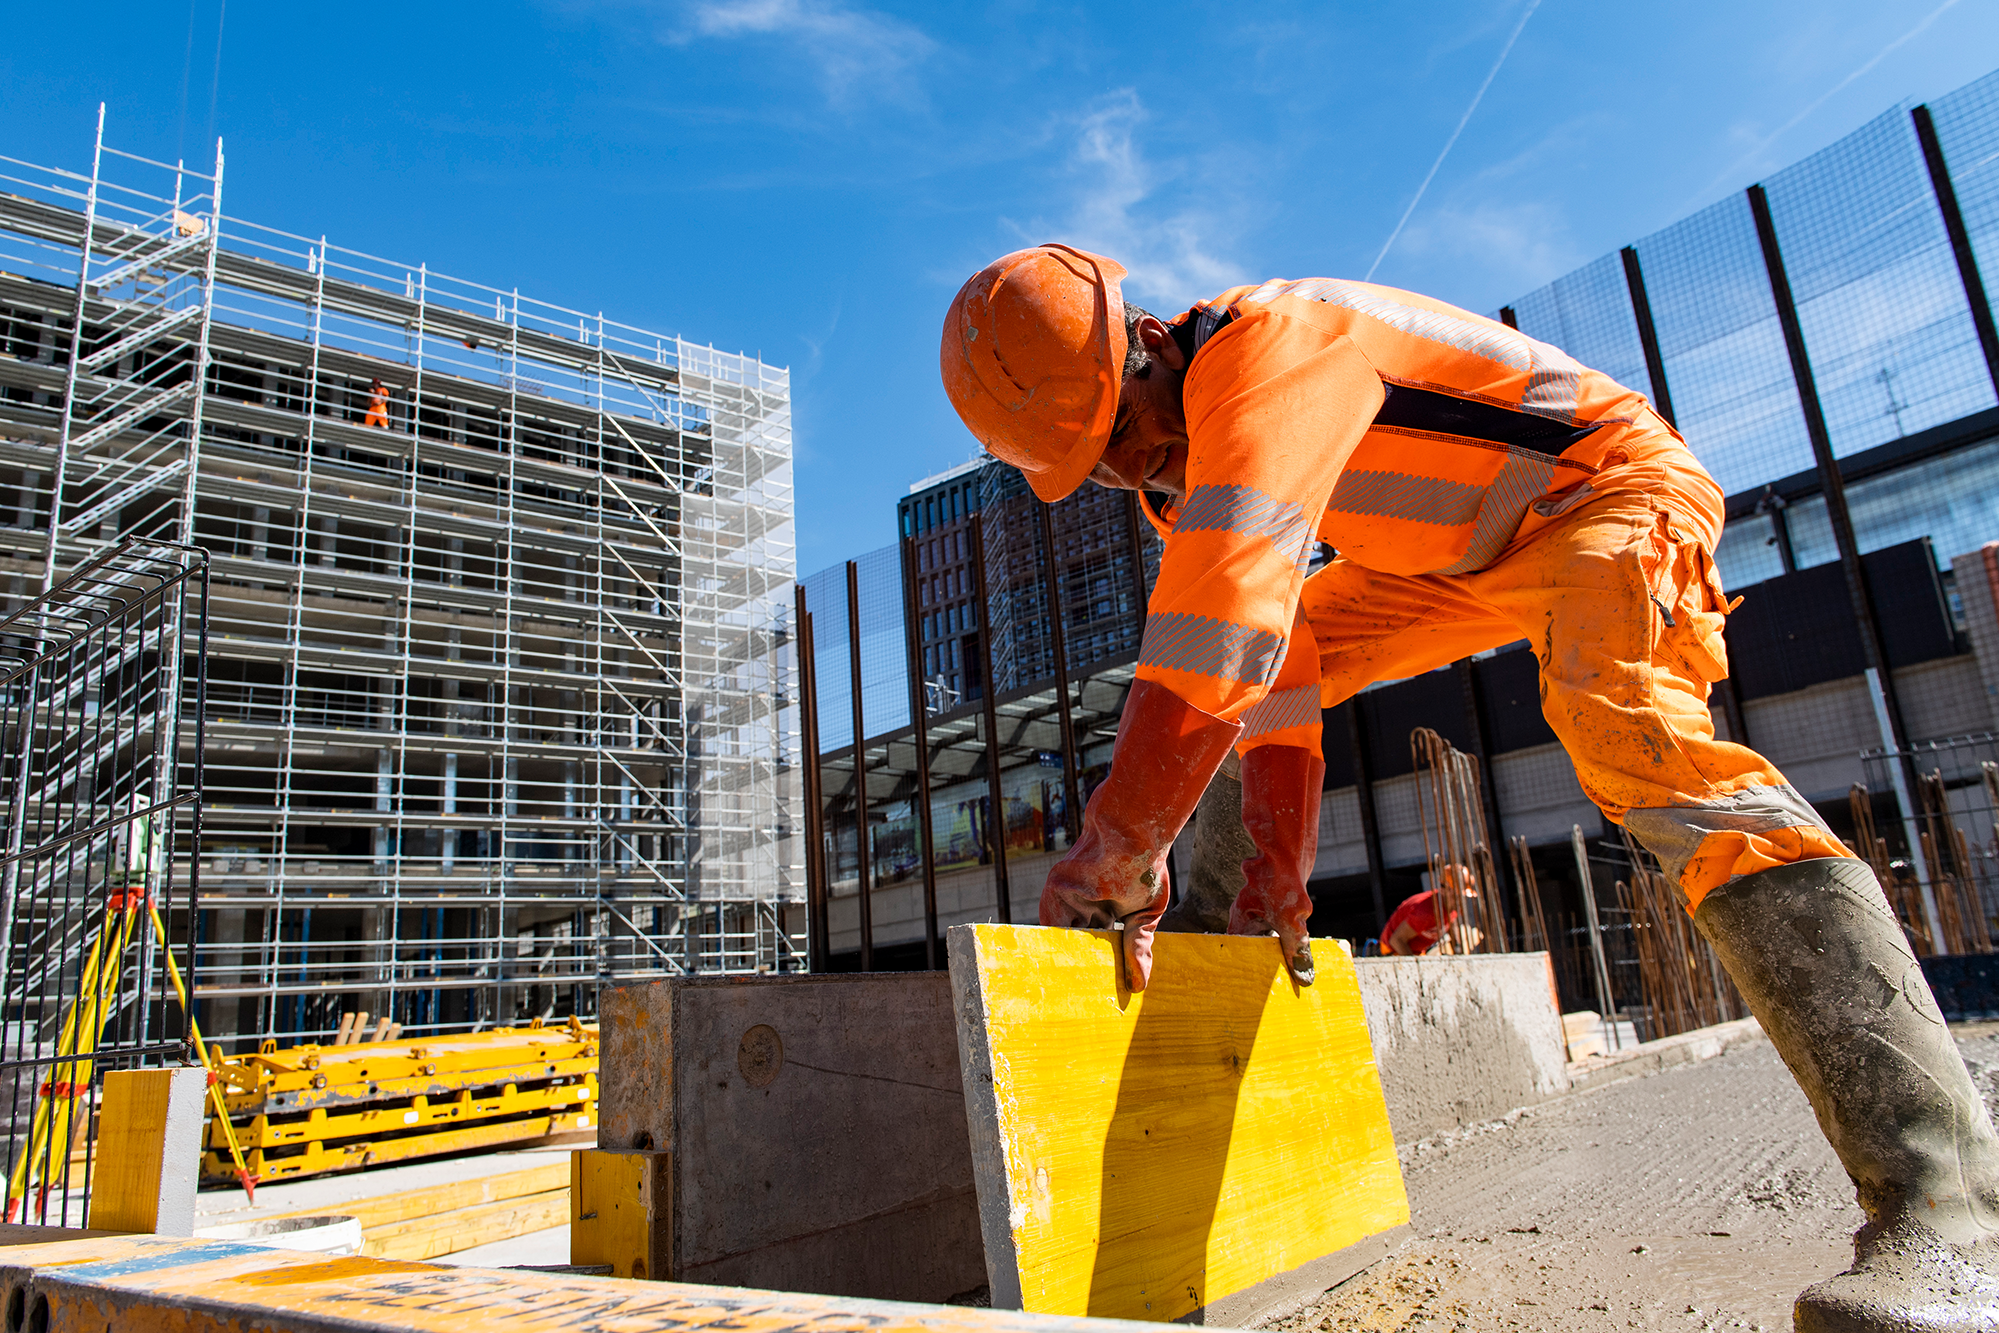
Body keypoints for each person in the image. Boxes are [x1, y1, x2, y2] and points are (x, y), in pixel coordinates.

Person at [939, 244, 1999, 1329]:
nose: (1142, 462)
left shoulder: (1272, 347)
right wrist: (1277, 869)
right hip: (1461, 556)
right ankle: (1230, 941)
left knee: (1628, 733)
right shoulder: (1185, 466)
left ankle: (1948, 1217)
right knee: (1264, 642)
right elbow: (1273, 660)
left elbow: (1223, 620)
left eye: (1129, 426)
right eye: (1107, 464)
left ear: (1153, 341)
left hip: (1602, 492)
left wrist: (1115, 844)